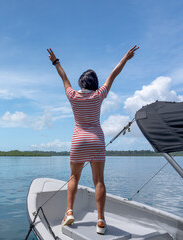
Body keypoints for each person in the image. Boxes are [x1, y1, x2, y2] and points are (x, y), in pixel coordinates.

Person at [47, 45, 139, 235]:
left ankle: (69, 212)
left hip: (78, 140)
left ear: (81, 82)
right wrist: (125, 58)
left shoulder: (73, 96)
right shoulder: (98, 95)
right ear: (94, 83)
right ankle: (100, 221)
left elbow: (63, 77)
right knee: (99, 181)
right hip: (97, 140)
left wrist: (56, 62)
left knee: (73, 177)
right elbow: (113, 75)